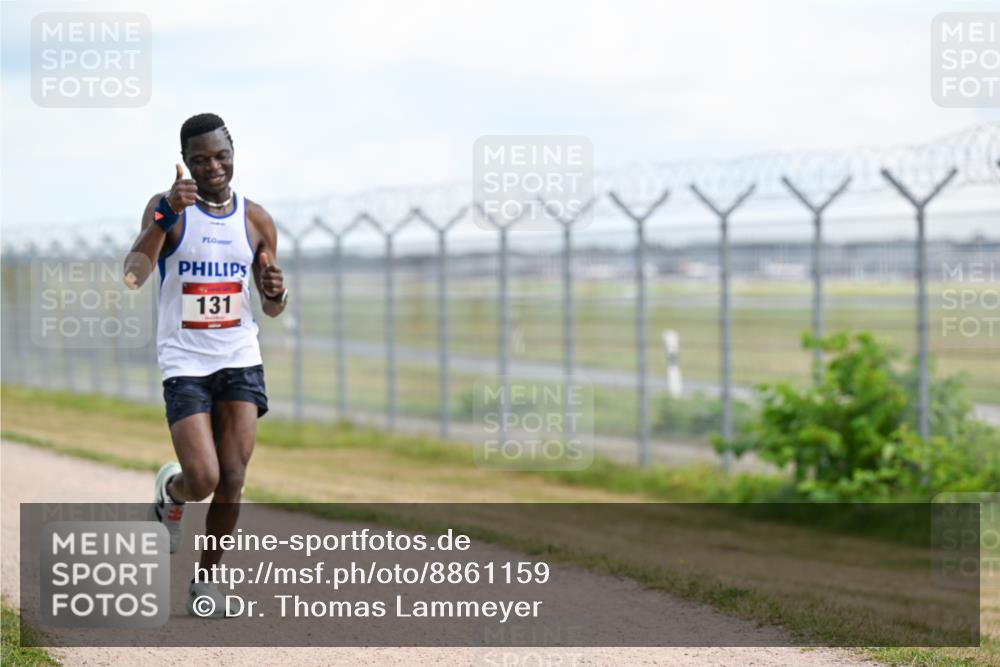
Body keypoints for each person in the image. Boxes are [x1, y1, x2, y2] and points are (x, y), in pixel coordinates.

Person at [123, 113, 288, 617]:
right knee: (204, 477)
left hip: (239, 356)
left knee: (234, 477)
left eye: (220, 155)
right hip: (186, 362)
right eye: (199, 159)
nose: (212, 166)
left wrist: (277, 292)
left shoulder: (256, 219)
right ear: (186, 163)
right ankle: (172, 494)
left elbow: (273, 305)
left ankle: (206, 583)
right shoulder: (168, 208)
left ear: (233, 153)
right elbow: (133, 275)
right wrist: (164, 217)